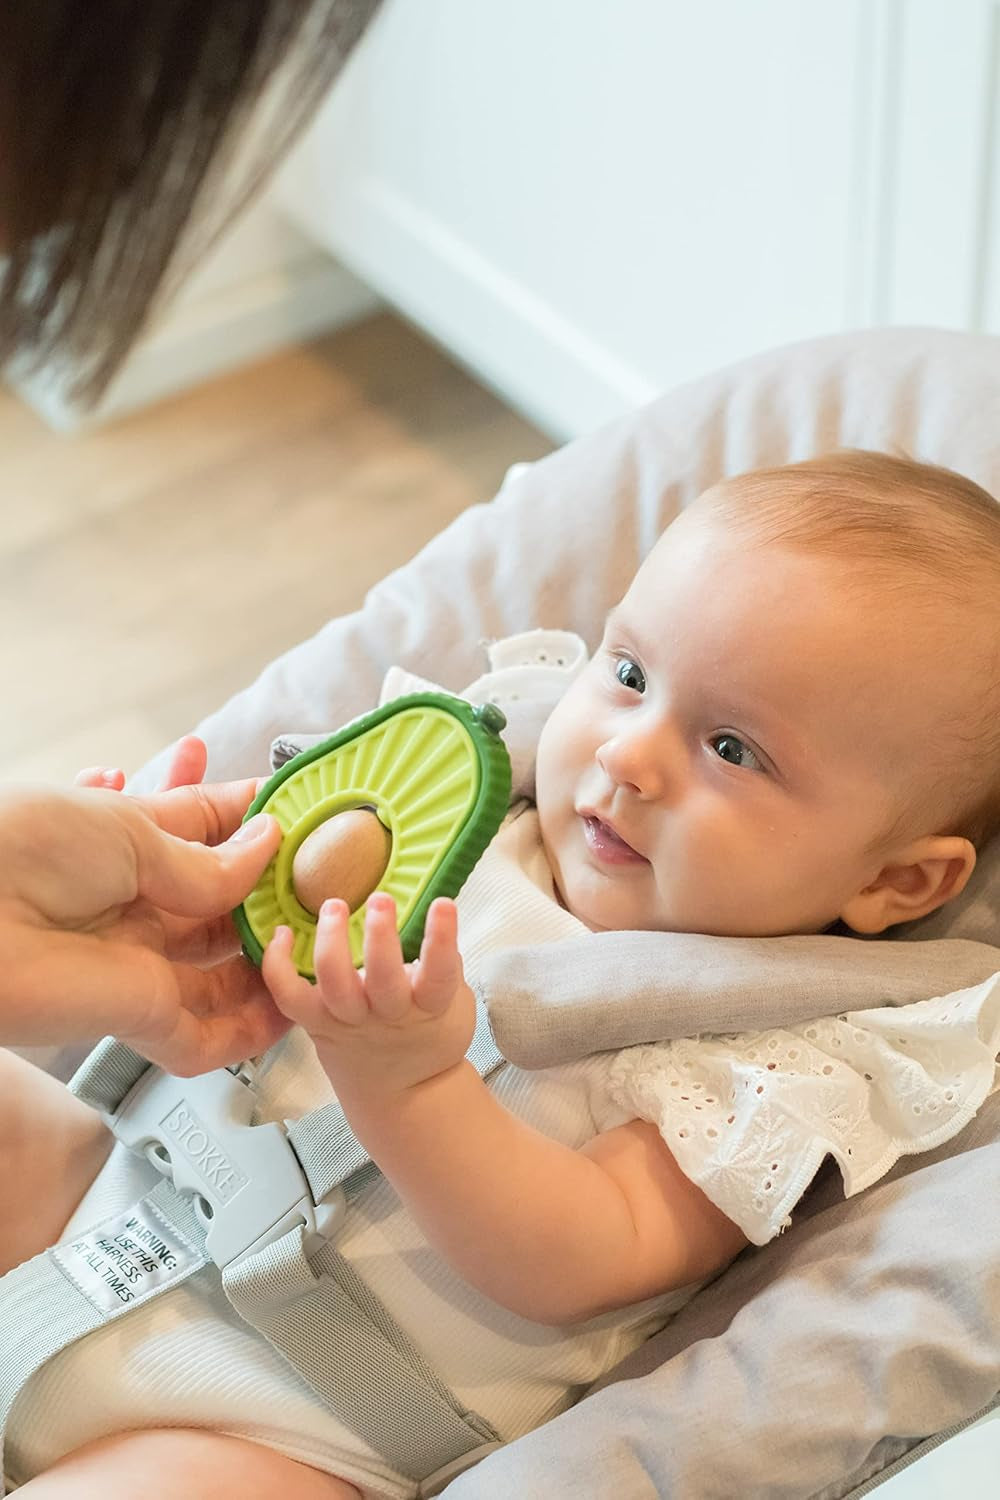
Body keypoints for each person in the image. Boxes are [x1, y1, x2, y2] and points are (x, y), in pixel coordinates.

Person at [4, 450, 1000, 1500]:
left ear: (894, 880)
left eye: (731, 748)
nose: (626, 757)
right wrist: (155, 882)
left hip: (284, 1417)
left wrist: (410, 1085)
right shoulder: (470, 815)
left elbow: (580, 1258)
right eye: (629, 676)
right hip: (104, 1185)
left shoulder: (774, 1054)